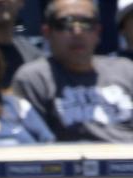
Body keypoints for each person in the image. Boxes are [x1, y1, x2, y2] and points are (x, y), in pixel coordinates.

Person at [12, 0, 133, 142]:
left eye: (86, 23)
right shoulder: (34, 78)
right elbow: (36, 143)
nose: (77, 32)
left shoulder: (126, 69)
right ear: (47, 32)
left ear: (98, 32)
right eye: (65, 23)